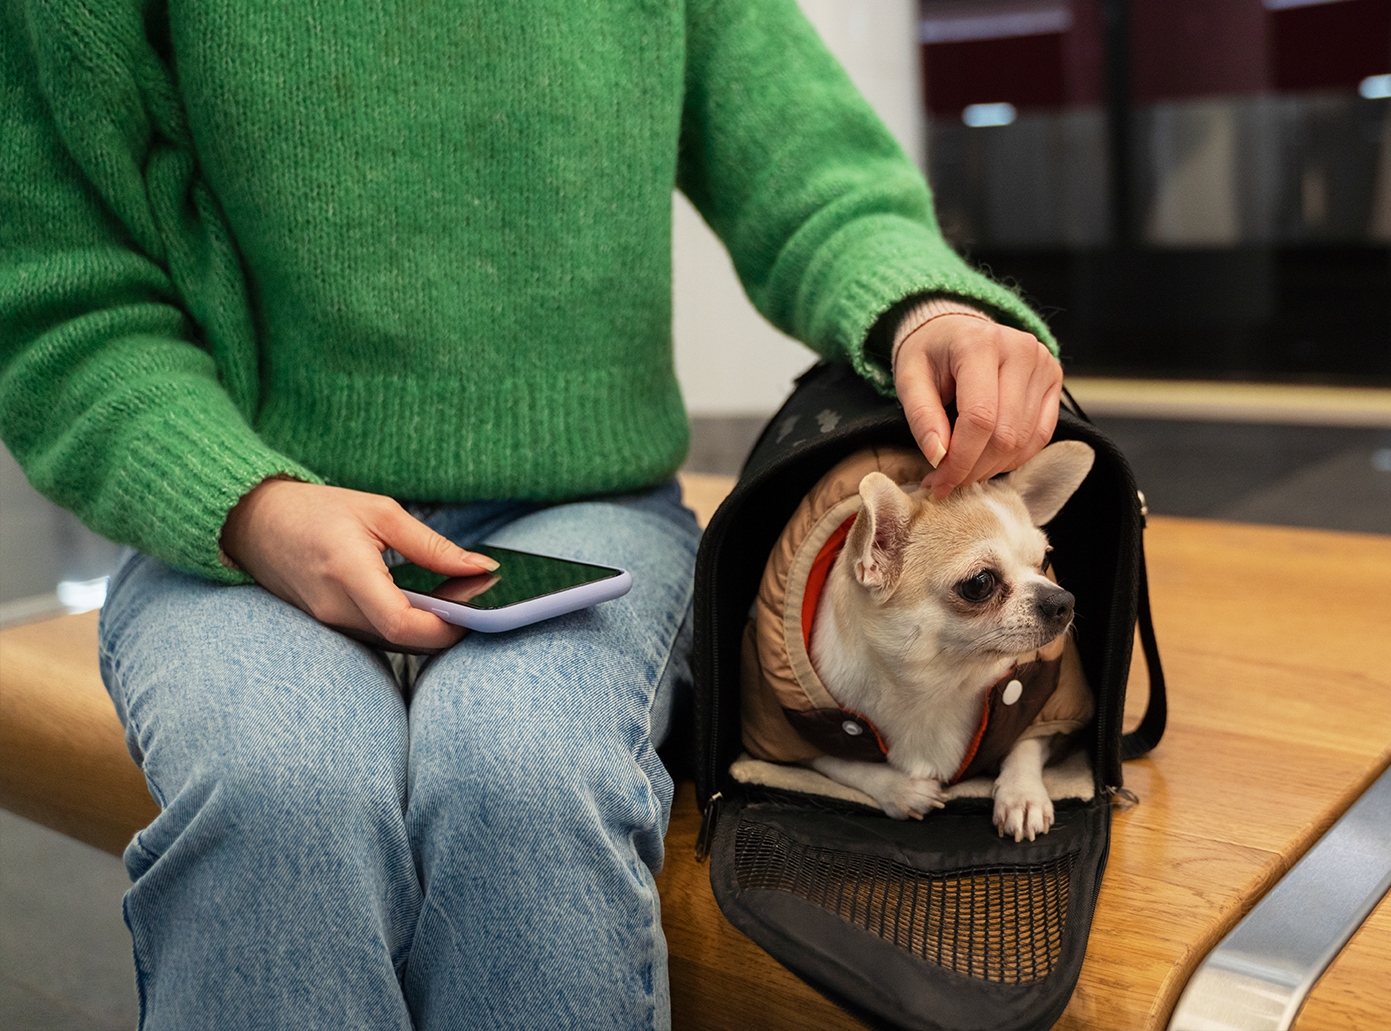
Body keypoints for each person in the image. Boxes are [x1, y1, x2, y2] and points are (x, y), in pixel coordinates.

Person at [0, 1, 1063, 1027]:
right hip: (241, 515)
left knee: (525, 778)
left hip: (581, 502)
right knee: (280, 790)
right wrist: (249, 505)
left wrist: (923, 305)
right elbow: (62, 292)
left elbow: (811, 169)